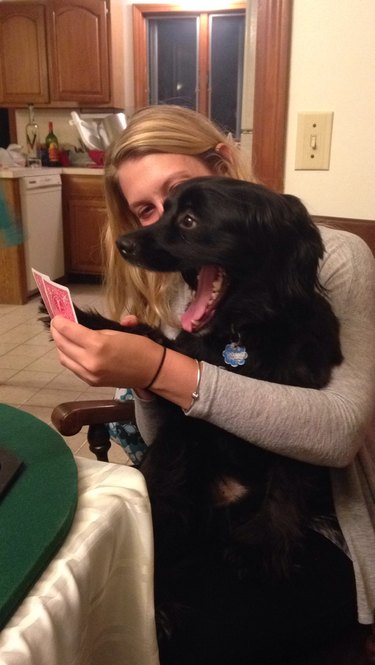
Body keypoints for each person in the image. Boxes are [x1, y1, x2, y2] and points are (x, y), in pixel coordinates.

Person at [51, 105, 375, 663]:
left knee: (189, 633)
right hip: (202, 497)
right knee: (89, 591)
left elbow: (338, 433)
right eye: (148, 211)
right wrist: (147, 381)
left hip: (309, 521)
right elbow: (170, 436)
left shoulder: (335, 258)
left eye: (178, 199)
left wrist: (161, 367)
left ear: (221, 165)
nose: (161, 226)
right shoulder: (194, 280)